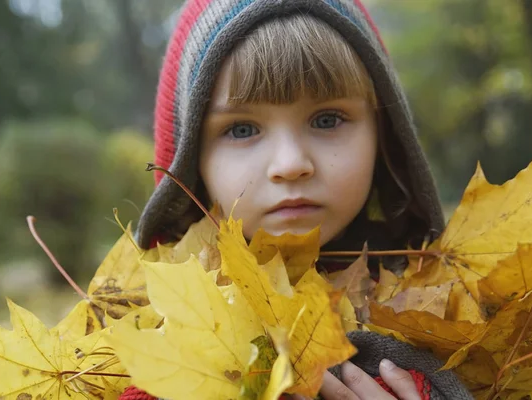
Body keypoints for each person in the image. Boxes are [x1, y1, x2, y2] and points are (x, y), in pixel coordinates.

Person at [120, 0, 473, 399]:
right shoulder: (158, 337)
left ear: (386, 136)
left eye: (326, 119)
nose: (290, 164)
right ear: (189, 162)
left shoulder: (457, 318)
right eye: (241, 129)